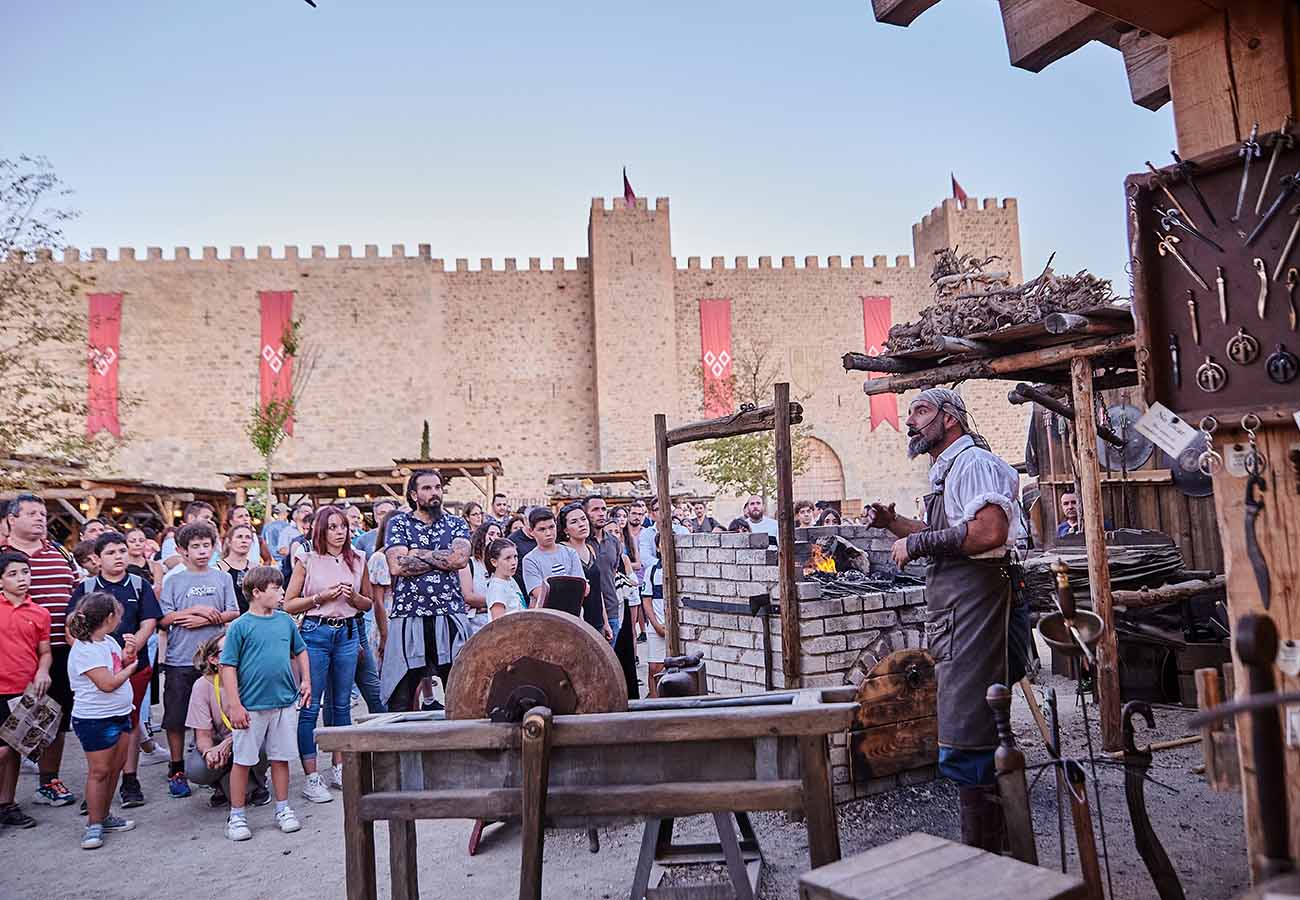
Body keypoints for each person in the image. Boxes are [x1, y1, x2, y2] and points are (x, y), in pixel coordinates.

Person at [864, 387, 1021, 852]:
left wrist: (917, 545)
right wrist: (895, 525)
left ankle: (989, 858)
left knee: (970, 731)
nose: (911, 421)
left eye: (921, 411)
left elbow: (988, 532)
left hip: (975, 604)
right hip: (957, 611)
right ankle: (997, 849)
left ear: (950, 419)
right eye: (911, 412)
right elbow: (944, 533)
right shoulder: (946, 469)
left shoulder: (974, 464)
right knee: (965, 723)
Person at [67, 533, 161, 810]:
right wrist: (95, 655)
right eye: (111, 552)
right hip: (98, 669)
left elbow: (149, 621)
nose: (118, 556)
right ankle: (99, 788)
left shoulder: (138, 584)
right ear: (97, 558)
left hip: (134, 663)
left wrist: (130, 651)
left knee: (130, 723)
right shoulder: (86, 589)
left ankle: (129, 780)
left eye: (122, 550)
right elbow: (72, 630)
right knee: (99, 728)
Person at [282, 506, 368, 802]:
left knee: (342, 705)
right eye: (332, 527)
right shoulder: (307, 559)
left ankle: (340, 768)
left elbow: (367, 602)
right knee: (310, 706)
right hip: (315, 634)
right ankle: (311, 776)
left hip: (346, 632)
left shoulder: (358, 558)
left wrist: (353, 598)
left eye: (342, 526)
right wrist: (321, 597)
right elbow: (289, 604)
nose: (339, 531)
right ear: (321, 530)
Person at [219, 565, 310, 841]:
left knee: (281, 758)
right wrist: (234, 704)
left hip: (284, 702)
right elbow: (228, 666)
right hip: (251, 705)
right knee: (243, 760)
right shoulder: (239, 627)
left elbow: (300, 650)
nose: (282, 592)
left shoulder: (285, 621)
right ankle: (236, 815)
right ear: (256, 593)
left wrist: (306, 680)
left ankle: (283, 808)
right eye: (276, 588)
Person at [3, 494, 79, 808]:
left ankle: (49, 781)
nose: (40, 518)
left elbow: (77, 592)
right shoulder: (4, 557)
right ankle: (6, 798)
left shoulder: (60, 552)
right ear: (12, 519)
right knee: (10, 729)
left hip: (60, 649)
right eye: (32, 513)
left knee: (53, 719)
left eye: (43, 513)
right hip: (15, 652)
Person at [157, 522, 240, 799]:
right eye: (195, 547)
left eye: (207, 545)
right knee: (176, 716)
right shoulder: (174, 581)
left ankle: (222, 764)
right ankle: (177, 767)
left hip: (217, 659)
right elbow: (165, 618)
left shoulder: (222, 578)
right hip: (181, 657)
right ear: (182, 551)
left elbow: (232, 612)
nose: (202, 551)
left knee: (221, 710)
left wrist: (206, 617)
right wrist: (195, 610)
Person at [380, 470, 472, 713]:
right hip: (410, 615)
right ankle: (404, 752)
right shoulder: (398, 522)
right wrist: (442, 557)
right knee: (402, 698)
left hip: (449, 613)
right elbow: (397, 565)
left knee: (461, 693)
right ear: (413, 494)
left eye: (438, 488)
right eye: (427, 488)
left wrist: (417, 552)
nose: (434, 493)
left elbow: (460, 559)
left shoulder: (456, 523)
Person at [65, 592, 138, 850]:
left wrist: (128, 655)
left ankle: (104, 817)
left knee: (115, 768)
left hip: (119, 714)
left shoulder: (107, 642)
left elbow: (115, 669)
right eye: (118, 614)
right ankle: (93, 824)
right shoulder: (85, 650)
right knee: (99, 772)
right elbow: (107, 683)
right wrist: (132, 668)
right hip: (96, 719)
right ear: (109, 617)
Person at [184, 634, 270, 810]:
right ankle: (223, 784)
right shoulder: (202, 686)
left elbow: (259, 724)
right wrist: (209, 752)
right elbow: (202, 735)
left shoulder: (251, 678)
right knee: (197, 768)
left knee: (262, 747)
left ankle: (257, 783)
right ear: (214, 659)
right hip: (218, 743)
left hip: (251, 736)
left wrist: (229, 743)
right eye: (229, 650)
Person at [0, 550, 52, 829]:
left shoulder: (40, 613)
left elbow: (44, 651)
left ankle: (7, 805)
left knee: (15, 749)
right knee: (2, 752)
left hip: (24, 690)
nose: (21, 578)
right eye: (12, 574)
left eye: (25, 572)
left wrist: (43, 671)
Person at [558, 504, 613, 639]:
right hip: (576, 623)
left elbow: (597, 589)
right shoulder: (562, 551)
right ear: (565, 529)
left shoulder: (590, 549)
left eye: (583, 519)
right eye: (574, 522)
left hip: (597, 620)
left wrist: (605, 622)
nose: (581, 524)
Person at [520, 507, 585, 611]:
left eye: (551, 527)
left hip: (574, 616)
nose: (548, 533)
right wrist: (571, 590)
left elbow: (582, 588)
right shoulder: (530, 560)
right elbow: (540, 594)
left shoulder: (570, 553)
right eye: (542, 529)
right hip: (547, 618)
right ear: (531, 532)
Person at [583, 497, 623, 642]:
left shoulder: (614, 541)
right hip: (589, 611)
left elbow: (612, 572)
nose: (601, 513)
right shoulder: (580, 543)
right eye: (595, 510)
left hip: (612, 608)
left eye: (603, 509)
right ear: (585, 514)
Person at [160, 501, 220, 573]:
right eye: (206, 517)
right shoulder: (173, 535)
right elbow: (170, 561)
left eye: (210, 518)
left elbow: (218, 559)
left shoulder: (211, 538)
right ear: (191, 518)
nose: (210, 522)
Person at [465, 522, 500, 632]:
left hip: (497, 621)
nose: (495, 538)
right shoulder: (468, 564)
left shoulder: (500, 564)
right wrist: (498, 601)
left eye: (499, 535)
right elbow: (468, 597)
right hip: (475, 625)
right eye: (492, 533)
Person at [640, 533, 667, 667]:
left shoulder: (685, 570)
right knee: (655, 668)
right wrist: (656, 625)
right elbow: (647, 600)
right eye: (663, 543)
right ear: (657, 548)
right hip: (658, 625)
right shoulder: (652, 571)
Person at [217, 523, 256, 614]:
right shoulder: (218, 569)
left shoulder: (256, 569)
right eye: (239, 537)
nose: (244, 541)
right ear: (229, 542)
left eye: (248, 537)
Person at [484, 539, 525, 619]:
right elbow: (499, 623)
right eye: (508, 558)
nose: (513, 562)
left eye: (515, 557)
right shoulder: (497, 587)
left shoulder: (511, 579)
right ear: (494, 562)